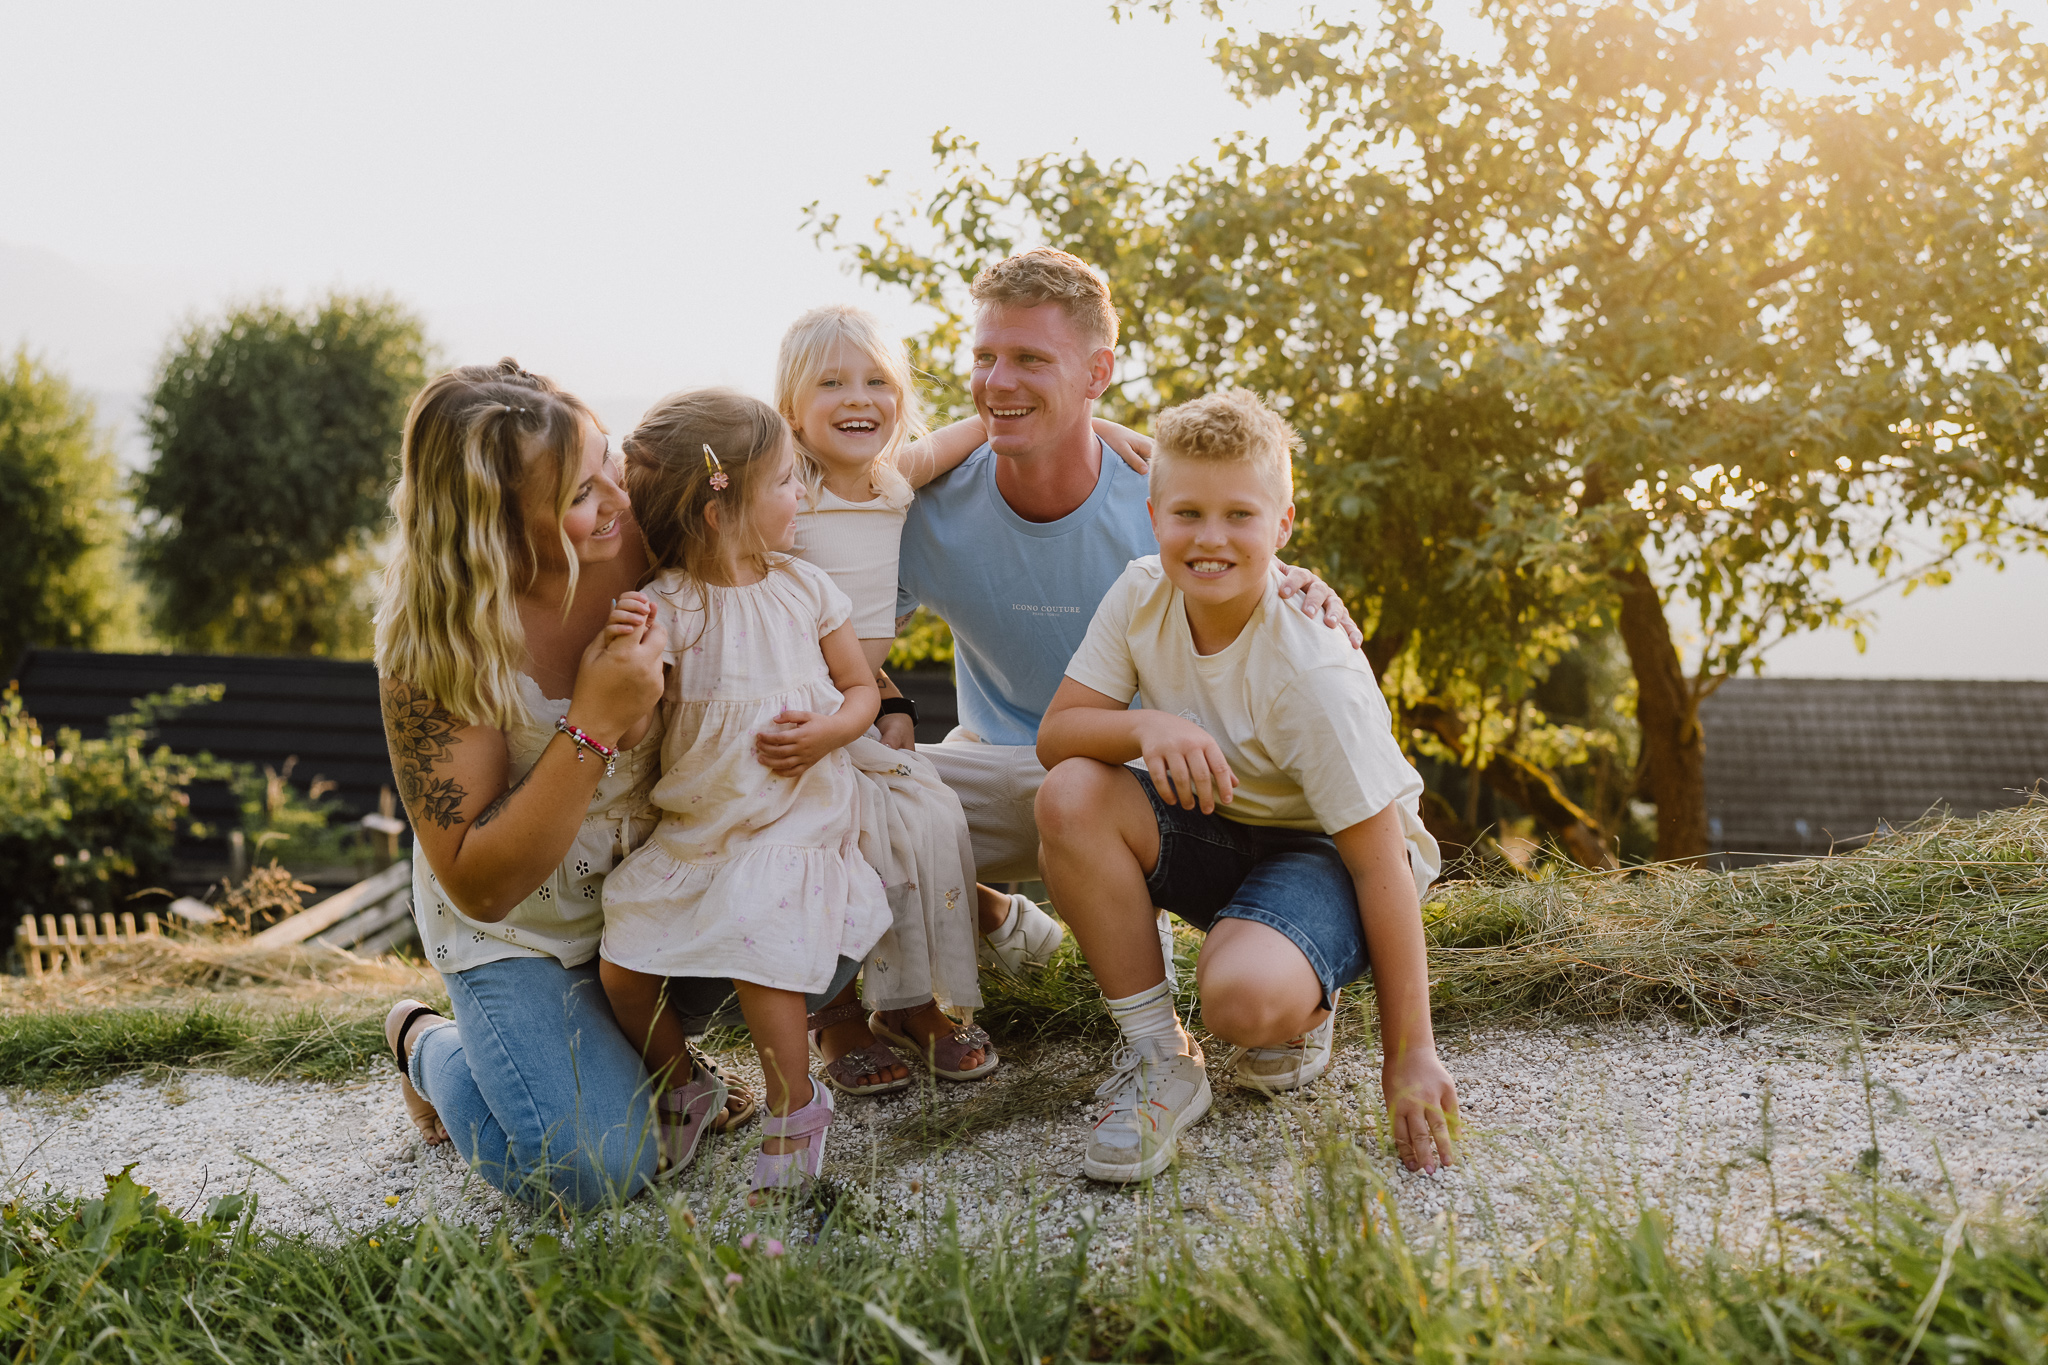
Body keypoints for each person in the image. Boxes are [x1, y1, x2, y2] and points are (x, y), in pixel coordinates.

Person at [1034, 389, 1457, 1182]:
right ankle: (1161, 1059)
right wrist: (1147, 727)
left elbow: (1382, 865)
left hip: (1331, 855)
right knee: (1070, 795)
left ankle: (1304, 995)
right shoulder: (1140, 592)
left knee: (1240, 1001)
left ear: (1283, 525)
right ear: (1153, 516)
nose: (1210, 538)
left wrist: (1410, 1054)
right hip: (1222, 824)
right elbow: (1058, 736)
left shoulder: (1312, 670)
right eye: (1188, 513)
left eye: (1239, 515)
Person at [773, 304, 1153, 1091]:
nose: (858, 398)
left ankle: (918, 997)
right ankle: (837, 1014)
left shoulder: (893, 485)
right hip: (798, 713)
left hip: (1067, 761)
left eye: (877, 381)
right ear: (790, 409)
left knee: (913, 816)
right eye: (832, 383)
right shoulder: (785, 498)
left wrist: (1098, 421)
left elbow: (993, 423)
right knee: (827, 820)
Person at [895, 246, 1359, 885]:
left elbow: (1249, 578)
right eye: (984, 358)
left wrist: (1298, 583)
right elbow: (824, 629)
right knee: (843, 787)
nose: (997, 382)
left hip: (1134, 784)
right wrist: (888, 707)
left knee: (1081, 786)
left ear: (1098, 373)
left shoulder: (1162, 509)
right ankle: (996, 920)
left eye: (1031, 359)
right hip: (990, 773)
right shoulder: (927, 507)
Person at [374, 358, 720, 1211]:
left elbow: (789, 527)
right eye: (579, 493)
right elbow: (480, 882)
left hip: (661, 879)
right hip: (527, 931)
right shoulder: (436, 639)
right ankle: (426, 1042)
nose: (618, 496)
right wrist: (595, 722)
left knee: (831, 933)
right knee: (591, 1168)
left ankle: (627, 1043)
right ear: (493, 523)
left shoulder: (635, 527)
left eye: (608, 460)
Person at [596, 387, 892, 1196]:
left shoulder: (805, 588)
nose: (803, 496)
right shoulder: (666, 605)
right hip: (701, 824)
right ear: (718, 506)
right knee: (621, 962)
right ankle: (683, 1082)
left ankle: (795, 1105)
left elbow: (860, 691)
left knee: (760, 921)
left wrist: (830, 732)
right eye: (788, 481)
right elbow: (634, 728)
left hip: (795, 815)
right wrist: (628, 665)